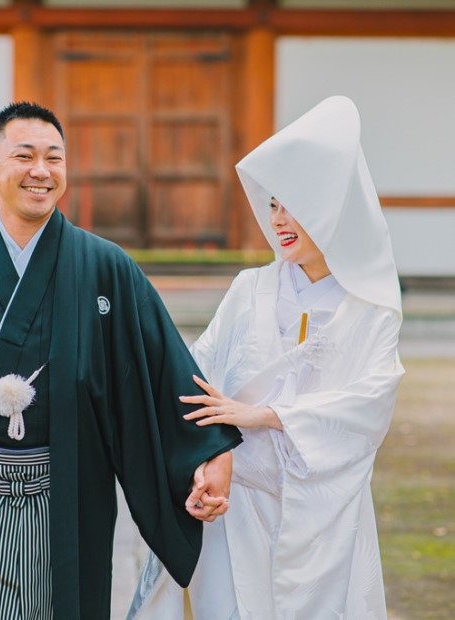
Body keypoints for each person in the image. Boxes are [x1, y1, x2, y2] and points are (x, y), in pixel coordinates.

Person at [0, 101, 241, 619]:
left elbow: (161, 367)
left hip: (63, 495)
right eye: (24, 156)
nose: (41, 171)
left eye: (54, 158)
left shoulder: (105, 268)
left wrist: (210, 450)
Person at [129, 96, 405, 619]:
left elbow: (371, 403)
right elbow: (195, 379)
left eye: (294, 205)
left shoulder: (371, 309)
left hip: (327, 510)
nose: (279, 219)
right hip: (241, 503)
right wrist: (204, 461)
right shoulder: (249, 289)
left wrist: (266, 415)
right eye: (273, 204)